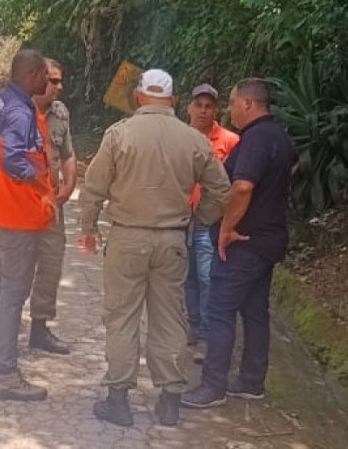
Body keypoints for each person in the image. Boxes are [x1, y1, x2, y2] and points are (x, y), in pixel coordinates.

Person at [78, 69, 231, 428]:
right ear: (175, 101)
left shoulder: (119, 135)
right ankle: (170, 402)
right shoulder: (194, 140)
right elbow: (221, 190)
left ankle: (118, 400)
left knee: (121, 317)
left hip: (127, 238)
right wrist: (198, 219)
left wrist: (88, 229)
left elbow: (94, 188)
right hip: (173, 241)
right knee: (170, 317)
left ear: (139, 96)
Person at [182, 78, 296, 409]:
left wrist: (226, 229)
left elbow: (243, 186)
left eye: (231, 102)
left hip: (245, 241)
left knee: (219, 309)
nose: (229, 109)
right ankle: (251, 380)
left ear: (247, 103)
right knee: (255, 310)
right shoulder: (279, 136)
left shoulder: (256, 139)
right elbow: (292, 166)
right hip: (270, 237)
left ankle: (212, 386)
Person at [0, 49, 55, 401]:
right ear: (31, 74)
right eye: (46, 77)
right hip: (19, 216)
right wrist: (37, 181)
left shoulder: (2, 101)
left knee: (0, 286)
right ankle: (5, 374)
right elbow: (14, 158)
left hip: (2, 212)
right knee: (14, 294)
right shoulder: (20, 110)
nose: (49, 83)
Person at [184, 84, 240, 352]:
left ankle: (206, 331)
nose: (204, 111)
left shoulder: (230, 141)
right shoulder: (178, 137)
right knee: (185, 276)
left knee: (207, 276)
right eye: (199, 105)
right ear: (189, 108)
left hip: (211, 220)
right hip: (181, 217)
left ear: (216, 110)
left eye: (209, 106)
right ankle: (193, 323)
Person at [29, 59, 78, 355]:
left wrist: (70, 185)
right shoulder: (17, 111)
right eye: (54, 81)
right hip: (19, 204)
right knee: (13, 269)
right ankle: (1, 332)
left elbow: (68, 153)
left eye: (61, 81)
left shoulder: (60, 114)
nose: (60, 87)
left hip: (51, 205)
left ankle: (39, 329)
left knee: (50, 265)